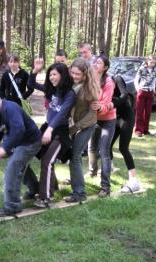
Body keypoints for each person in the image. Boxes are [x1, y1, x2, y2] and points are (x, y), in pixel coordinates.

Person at [0, 90, 42, 217]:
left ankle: (12, 206)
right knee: (20, 165)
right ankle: (35, 189)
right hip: (20, 143)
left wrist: (4, 149)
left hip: (30, 142)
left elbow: (19, 130)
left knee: (13, 168)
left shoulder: (10, 108)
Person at [28, 59, 76, 208]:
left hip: (60, 132)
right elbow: (31, 85)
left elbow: (62, 114)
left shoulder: (70, 94)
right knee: (44, 158)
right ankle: (51, 187)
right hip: (48, 128)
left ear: (62, 75)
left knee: (48, 161)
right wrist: (35, 71)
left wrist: (50, 130)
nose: (51, 78)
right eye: (50, 75)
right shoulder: (51, 89)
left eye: (54, 75)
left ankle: (45, 198)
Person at [62, 58, 99, 203]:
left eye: (77, 74)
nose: (74, 76)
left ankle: (79, 193)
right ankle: (77, 184)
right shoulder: (73, 84)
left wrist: (75, 128)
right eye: (72, 73)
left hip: (87, 125)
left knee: (75, 157)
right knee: (73, 157)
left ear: (85, 74)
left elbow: (92, 114)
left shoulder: (90, 88)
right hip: (75, 125)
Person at [88, 55, 116, 197]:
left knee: (104, 151)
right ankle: (92, 171)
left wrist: (99, 108)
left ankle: (105, 186)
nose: (95, 64)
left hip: (108, 120)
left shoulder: (109, 82)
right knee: (92, 148)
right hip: (93, 119)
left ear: (105, 68)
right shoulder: (90, 79)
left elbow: (105, 104)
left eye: (99, 62)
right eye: (95, 61)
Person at [109, 74, 141, 193]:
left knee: (123, 148)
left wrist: (112, 103)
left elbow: (124, 95)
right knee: (107, 146)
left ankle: (134, 181)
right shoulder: (98, 82)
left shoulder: (116, 78)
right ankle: (109, 168)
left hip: (126, 117)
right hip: (113, 117)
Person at [134, 55, 156, 137]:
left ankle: (145, 129)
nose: (152, 64)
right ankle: (138, 130)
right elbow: (136, 79)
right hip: (142, 91)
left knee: (147, 112)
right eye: (151, 62)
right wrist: (138, 89)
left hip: (150, 92)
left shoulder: (155, 70)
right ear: (147, 61)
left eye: (154, 63)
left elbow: (154, 79)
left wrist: (153, 90)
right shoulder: (142, 68)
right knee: (139, 111)